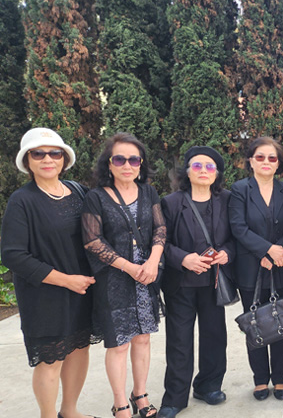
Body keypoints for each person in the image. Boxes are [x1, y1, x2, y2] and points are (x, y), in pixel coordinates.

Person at [1, 128, 101, 418]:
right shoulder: (22, 200)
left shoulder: (79, 191)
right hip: (45, 294)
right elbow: (13, 255)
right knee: (51, 359)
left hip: (83, 289)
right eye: (38, 154)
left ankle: (69, 411)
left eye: (55, 153)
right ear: (27, 161)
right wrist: (66, 280)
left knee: (79, 349)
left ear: (64, 159)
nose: (48, 159)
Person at [82, 133, 166, 418]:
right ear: (109, 164)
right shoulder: (96, 197)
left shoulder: (149, 193)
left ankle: (140, 394)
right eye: (119, 159)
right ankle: (120, 403)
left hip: (146, 277)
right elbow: (93, 241)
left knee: (143, 338)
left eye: (133, 159)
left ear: (141, 163)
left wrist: (153, 261)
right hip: (114, 280)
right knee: (119, 344)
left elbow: (160, 228)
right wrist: (129, 267)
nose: (127, 165)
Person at [157, 147, 235, 418]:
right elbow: (160, 242)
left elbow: (236, 235)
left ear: (217, 174)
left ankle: (208, 386)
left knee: (215, 336)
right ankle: (175, 397)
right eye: (197, 166)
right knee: (179, 341)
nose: (204, 171)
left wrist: (227, 252)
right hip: (181, 283)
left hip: (214, 282)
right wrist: (183, 259)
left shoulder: (227, 199)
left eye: (210, 166)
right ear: (187, 172)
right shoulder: (171, 203)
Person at [228, 137, 283, 401]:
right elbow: (238, 227)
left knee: (282, 320)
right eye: (260, 157)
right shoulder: (239, 190)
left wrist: (276, 252)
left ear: (278, 163)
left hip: (282, 266)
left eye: (272, 158)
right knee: (255, 324)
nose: (266, 162)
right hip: (251, 269)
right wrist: (265, 250)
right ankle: (260, 379)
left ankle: (280, 378)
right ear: (251, 161)